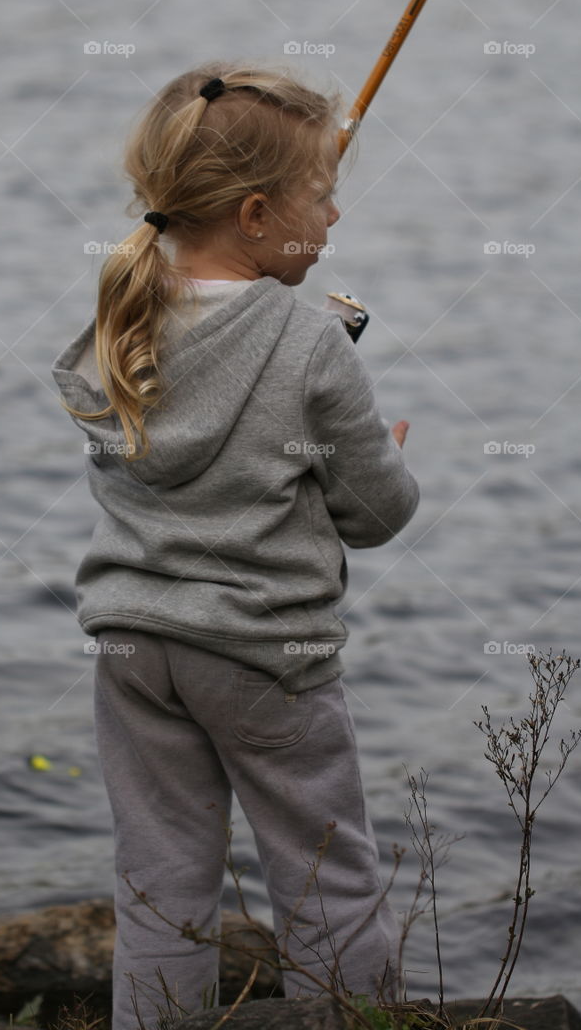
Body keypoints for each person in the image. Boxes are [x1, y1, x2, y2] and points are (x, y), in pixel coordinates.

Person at [51, 63, 420, 1030]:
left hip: (133, 643)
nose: (333, 216)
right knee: (324, 874)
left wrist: (319, 356)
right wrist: (361, 419)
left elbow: (192, 421)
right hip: (265, 654)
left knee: (160, 873)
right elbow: (376, 516)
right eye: (321, 194)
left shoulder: (118, 319)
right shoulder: (309, 348)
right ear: (255, 216)